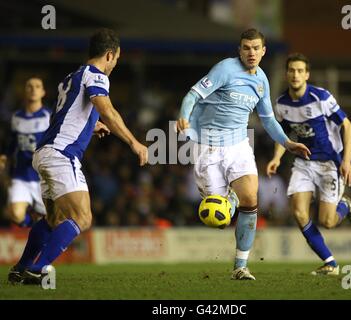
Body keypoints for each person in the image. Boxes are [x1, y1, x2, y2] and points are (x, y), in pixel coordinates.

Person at [8, 28, 148, 284]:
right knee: (82, 218)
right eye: (116, 59)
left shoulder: (71, 77)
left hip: (44, 153)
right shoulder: (96, 76)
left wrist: (91, 126)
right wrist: (134, 142)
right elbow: (108, 110)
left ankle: (21, 268)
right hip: (62, 154)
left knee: (54, 219)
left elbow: (64, 116)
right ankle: (37, 269)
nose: (115, 64)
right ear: (109, 55)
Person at [176, 29, 310, 280]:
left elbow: (268, 120)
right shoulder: (224, 69)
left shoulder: (261, 80)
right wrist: (184, 116)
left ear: (263, 51)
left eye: (255, 48)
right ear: (239, 50)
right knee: (218, 219)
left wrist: (287, 142)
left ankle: (240, 266)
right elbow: (192, 95)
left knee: (251, 199)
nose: (251, 52)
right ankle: (231, 201)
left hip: (239, 145)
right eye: (246, 48)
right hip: (208, 146)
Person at [266, 53, 351, 276]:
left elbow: (347, 126)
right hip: (304, 163)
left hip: (330, 164)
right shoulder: (281, 104)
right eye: (291, 70)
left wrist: (347, 161)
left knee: (327, 221)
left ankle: (345, 206)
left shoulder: (321, 97)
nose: (295, 75)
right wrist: (277, 158)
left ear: (307, 74)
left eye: (300, 71)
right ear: (286, 74)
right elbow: (283, 135)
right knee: (299, 213)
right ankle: (330, 263)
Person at [0, 77, 50, 227]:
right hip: (21, 175)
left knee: (54, 221)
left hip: (43, 178)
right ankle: (34, 225)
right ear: (24, 92)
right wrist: (5, 157)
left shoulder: (49, 116)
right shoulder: (16, 118)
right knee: (15, 213)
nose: (33, 89)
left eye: (37, 86)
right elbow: (13, 143)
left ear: (43, 92)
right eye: (29, 86)